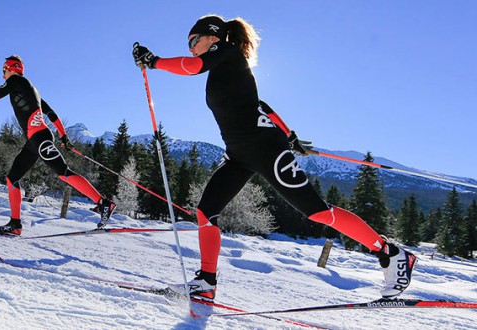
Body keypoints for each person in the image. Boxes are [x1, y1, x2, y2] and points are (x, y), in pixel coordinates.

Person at [133, 15, 416, 302]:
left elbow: (193, 66)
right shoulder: (223, 70)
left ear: (213, 37)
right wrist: (290, 134)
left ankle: (391, 254)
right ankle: (206, 282)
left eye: (194, 40)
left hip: (265, 149)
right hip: (239, 155)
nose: (191, 47)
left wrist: (154, 61)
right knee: (207, 211)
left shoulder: (226, 53)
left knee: (317, 211)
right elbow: (260, 105)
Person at [0, 55, 115, 234]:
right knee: (12, 178)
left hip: (39, 138)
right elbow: (52, 114)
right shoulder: (30, 89)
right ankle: (15, 224)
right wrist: (64, 136)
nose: (3, 74)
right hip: (34, 140)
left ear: (11, 68)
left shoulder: (15, 81)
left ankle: (103, 203)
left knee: (63, 172)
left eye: (4, 70)